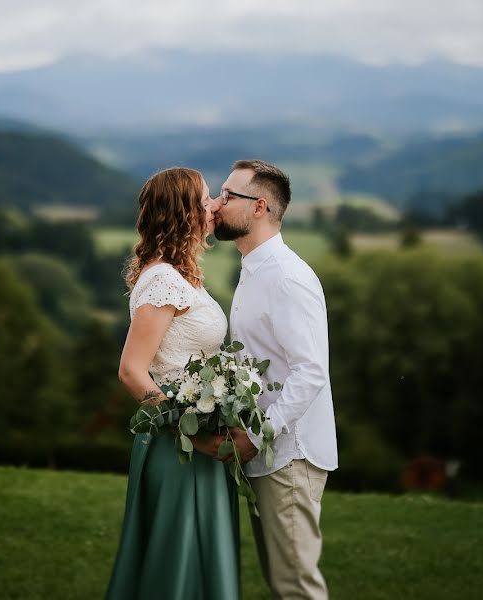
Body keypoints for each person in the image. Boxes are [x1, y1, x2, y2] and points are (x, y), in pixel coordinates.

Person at [105, 167, 240, 600]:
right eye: (205, 201)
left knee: (199, 557)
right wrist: (184, 428)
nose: (214, 207)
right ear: (184, 216)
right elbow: (132, 370)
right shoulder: (163, 280)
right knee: (176, 562)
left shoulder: (179, 275)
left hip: (196, 439)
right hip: (176, 445)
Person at [212, 159, 338, 599]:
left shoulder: (287, 277)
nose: (217, 203)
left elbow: (311, 371)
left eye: (228, 196)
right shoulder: (254, 269)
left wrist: (256, 434)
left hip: (289, 454)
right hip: (267, 453)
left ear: (259, 207)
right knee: (281, 582)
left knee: (297, 587)